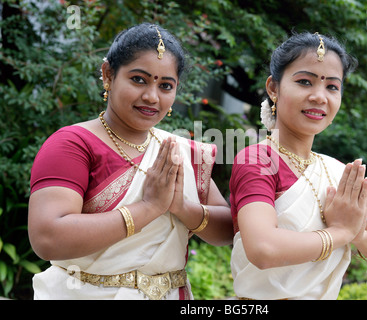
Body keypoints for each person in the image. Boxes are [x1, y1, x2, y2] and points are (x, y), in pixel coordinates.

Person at [28, 23, 233, 300]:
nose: (151, 96)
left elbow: (228, 230)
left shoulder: (178, 151)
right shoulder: (72, 144)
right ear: (108, 75)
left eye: (165, 86)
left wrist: (183, 207)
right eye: (139, 79)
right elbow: (48, 239)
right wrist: (148, 208)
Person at [229, 32, 367, 300]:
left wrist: (358, 235)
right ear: (274, 88)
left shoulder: (335, 172)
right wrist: (340, 232)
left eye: (332, 86)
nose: (320, 97)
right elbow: (263, 249)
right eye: (305, 82)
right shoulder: (258, 161)